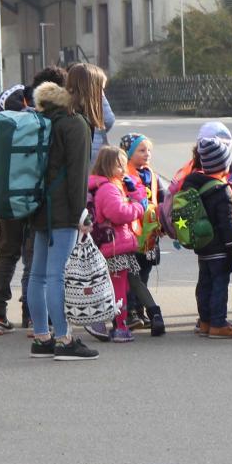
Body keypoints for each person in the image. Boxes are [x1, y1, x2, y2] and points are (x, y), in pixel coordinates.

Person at [25, 79, 99, 361]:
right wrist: (82, 211)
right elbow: (79, 174)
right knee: (58, 275)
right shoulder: (75, 123)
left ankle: (42, 338)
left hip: (39, 206)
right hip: (64, 211)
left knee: (38, 274)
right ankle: (65, 339)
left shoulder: (43, 120)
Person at [0, 81, 33, 334]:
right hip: (33, 193)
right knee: (34, 256)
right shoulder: (34, 111)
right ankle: (33, 314)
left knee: (5, 253)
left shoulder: (1, 114)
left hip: (4, 194)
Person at [181, 136, 232, 339]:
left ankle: (205, 321)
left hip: (203, 245)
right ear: (224, 164)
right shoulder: (221, 190)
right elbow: (226, 223)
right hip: (220, 248)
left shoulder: (195, 184)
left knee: (204, 283)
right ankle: (218, 323)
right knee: (219, 284)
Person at [84, 145, 146, 344]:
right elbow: (118, 213)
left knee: (113, 286)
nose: (123, 169)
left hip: (115, 244)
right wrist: (137, 208)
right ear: (108, 166)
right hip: (115, 245)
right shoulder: (108, 188)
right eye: (119, 166)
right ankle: (120, 327)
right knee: (118, 288)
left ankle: (106, 322)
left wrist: (134, 191)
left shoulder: (108, 186)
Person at [120, 133, 166, 336]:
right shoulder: (124, 175)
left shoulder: (152, 175)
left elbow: (162, 199)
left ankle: (140, 309)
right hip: (132, 232)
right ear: (128, 154)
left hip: (150, 232)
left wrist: (163, 224)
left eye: (149, 150)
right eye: (141, 150)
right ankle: (130, 312)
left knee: (145, 270)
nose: (147, 154)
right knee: (132, 273)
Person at [66, 63, 114, 170]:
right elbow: (109, 120)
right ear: (91, 90)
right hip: (88, 173)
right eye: (101, 89)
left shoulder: (69, 110)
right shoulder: (80, 118)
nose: (102, 94)